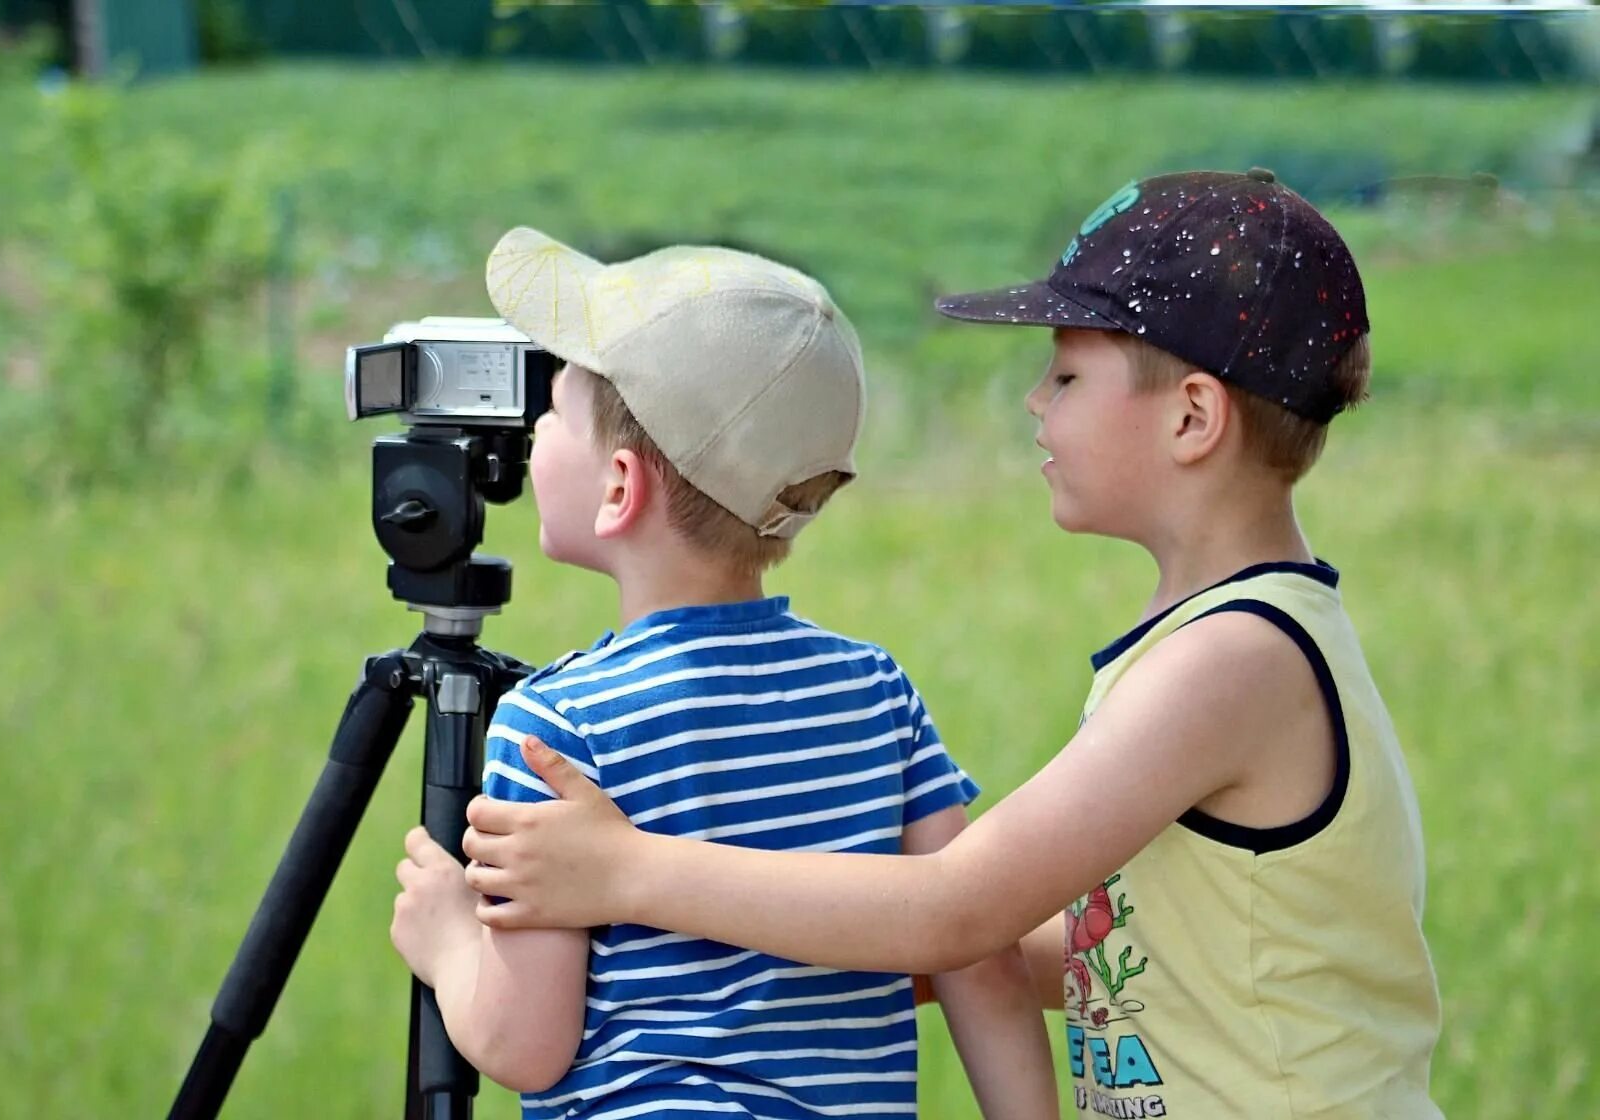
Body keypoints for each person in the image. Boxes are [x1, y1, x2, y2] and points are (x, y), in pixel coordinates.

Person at [462, 170, 1446, 1119]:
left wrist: (629, 872)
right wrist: (809, 941)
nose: (1033, 401)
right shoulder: (1218, 638)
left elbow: (960, 909)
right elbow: (1148, 950)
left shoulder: (1232, 661)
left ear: (1192, 416)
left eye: (1064, 373)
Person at [390, 226, 1058, 1120]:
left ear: (619, 487)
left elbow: (525, 1045)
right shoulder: (875, 693)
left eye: (554, 408)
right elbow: (984, 961)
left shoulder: (558, 729)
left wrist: (448, 945)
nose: (533, 426)